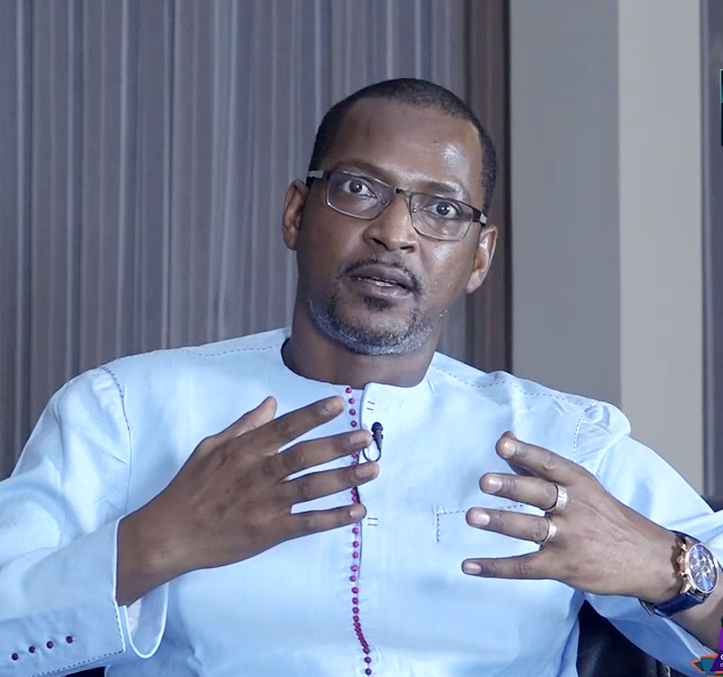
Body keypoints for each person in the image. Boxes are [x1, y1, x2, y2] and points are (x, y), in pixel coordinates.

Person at [0, 78, 721, 677]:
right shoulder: (124, 412)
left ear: (478, 257)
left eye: (442, 209)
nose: (394, 232)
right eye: (357, 187)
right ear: (296, 213)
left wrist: (667, 568)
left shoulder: (564, 440)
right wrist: (156, 542)